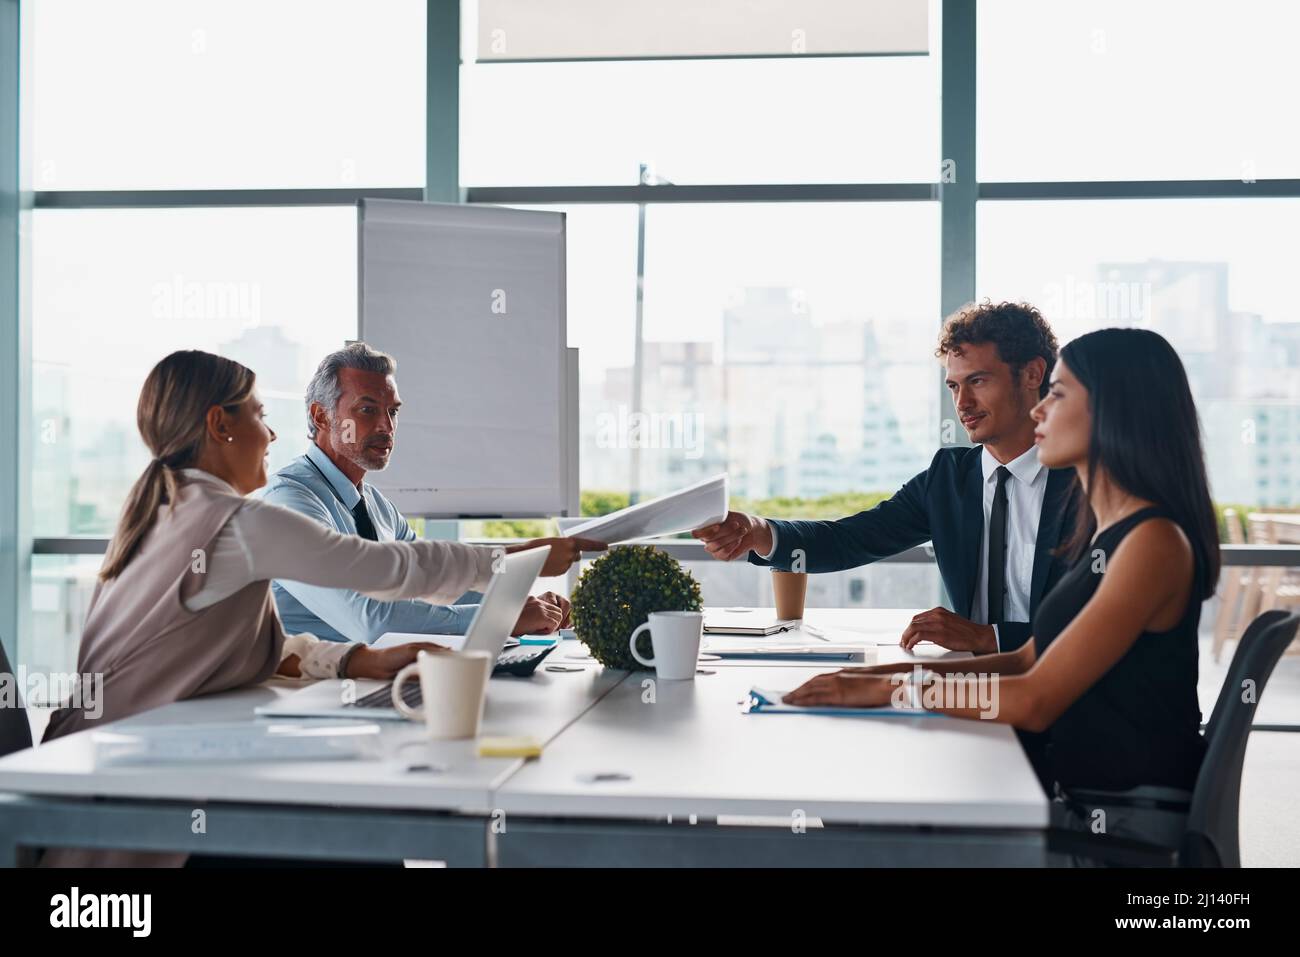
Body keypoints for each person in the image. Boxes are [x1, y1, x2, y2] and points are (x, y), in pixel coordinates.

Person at [41, 350, 601, 867]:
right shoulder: (237, 522)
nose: (271, 433)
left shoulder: (165, 511)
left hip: (123, 766)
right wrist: (515, 557)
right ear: (219, 425)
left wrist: (354, 661)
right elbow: (388, 574)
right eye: (259, 415)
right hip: (130, 797)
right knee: (359, 834)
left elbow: (214, 641)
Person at [782, 328, 1219, 854]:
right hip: (1077, 799)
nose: (1040, 412)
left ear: (1112, 410)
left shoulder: (1153, 542)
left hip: (1114, 826)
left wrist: (886, 693)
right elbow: (1027, 660)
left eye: (1057, 395)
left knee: (862, 812)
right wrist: (877, 675)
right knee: (859, 798)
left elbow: (1035, 700)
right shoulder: (1111, 531)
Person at [694, 300, 1077, 653]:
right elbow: (849, 539)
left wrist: (988, 638)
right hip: (971, 683)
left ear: (1032, 374)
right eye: (953, 386)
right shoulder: (948, 479)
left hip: (1066, 698)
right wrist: (760, 532)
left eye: (977, 381)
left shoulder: (1088, 484)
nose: (962, 404)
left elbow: (1105, 623)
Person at [258, 343, 570, 644]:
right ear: (321, 416)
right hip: (307, 688)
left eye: (392, 412)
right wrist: (501, 616)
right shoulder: (288, 501)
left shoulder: (378, 507)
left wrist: (527, 605)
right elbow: (372, 620)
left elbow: (434, 584)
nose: (386, 427)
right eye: (367, 410)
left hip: (379, 679)